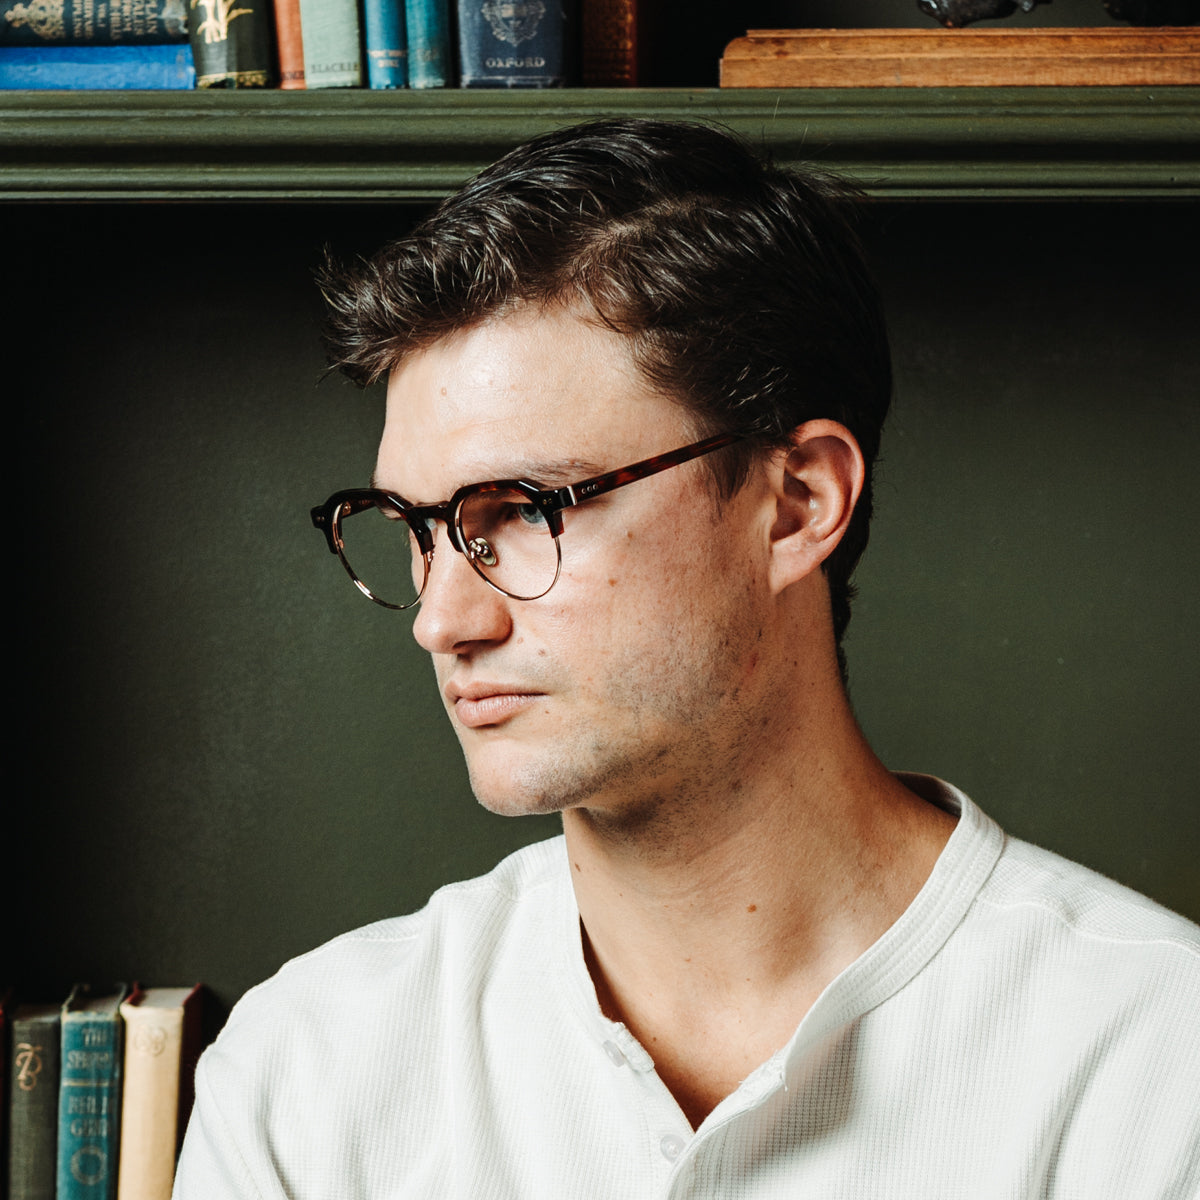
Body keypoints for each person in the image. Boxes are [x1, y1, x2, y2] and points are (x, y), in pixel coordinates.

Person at [173, 119, 1199, 1199]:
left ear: (796, 502)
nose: (442, 620)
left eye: (524, 510)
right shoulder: (306, 1078)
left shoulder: (1157, 1074)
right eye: (415, 528)